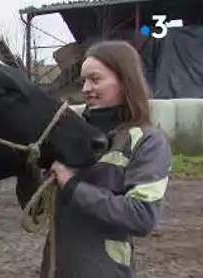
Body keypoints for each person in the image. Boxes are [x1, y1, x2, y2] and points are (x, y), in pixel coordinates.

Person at [42, 40, 171, 278]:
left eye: (96, 79)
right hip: (56, 269)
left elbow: (142, 215)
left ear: (124, 80)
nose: (86, 88)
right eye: (84, 81)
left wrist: (72, 186)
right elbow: (38, 209)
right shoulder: (71, 134)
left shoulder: (149, 141)